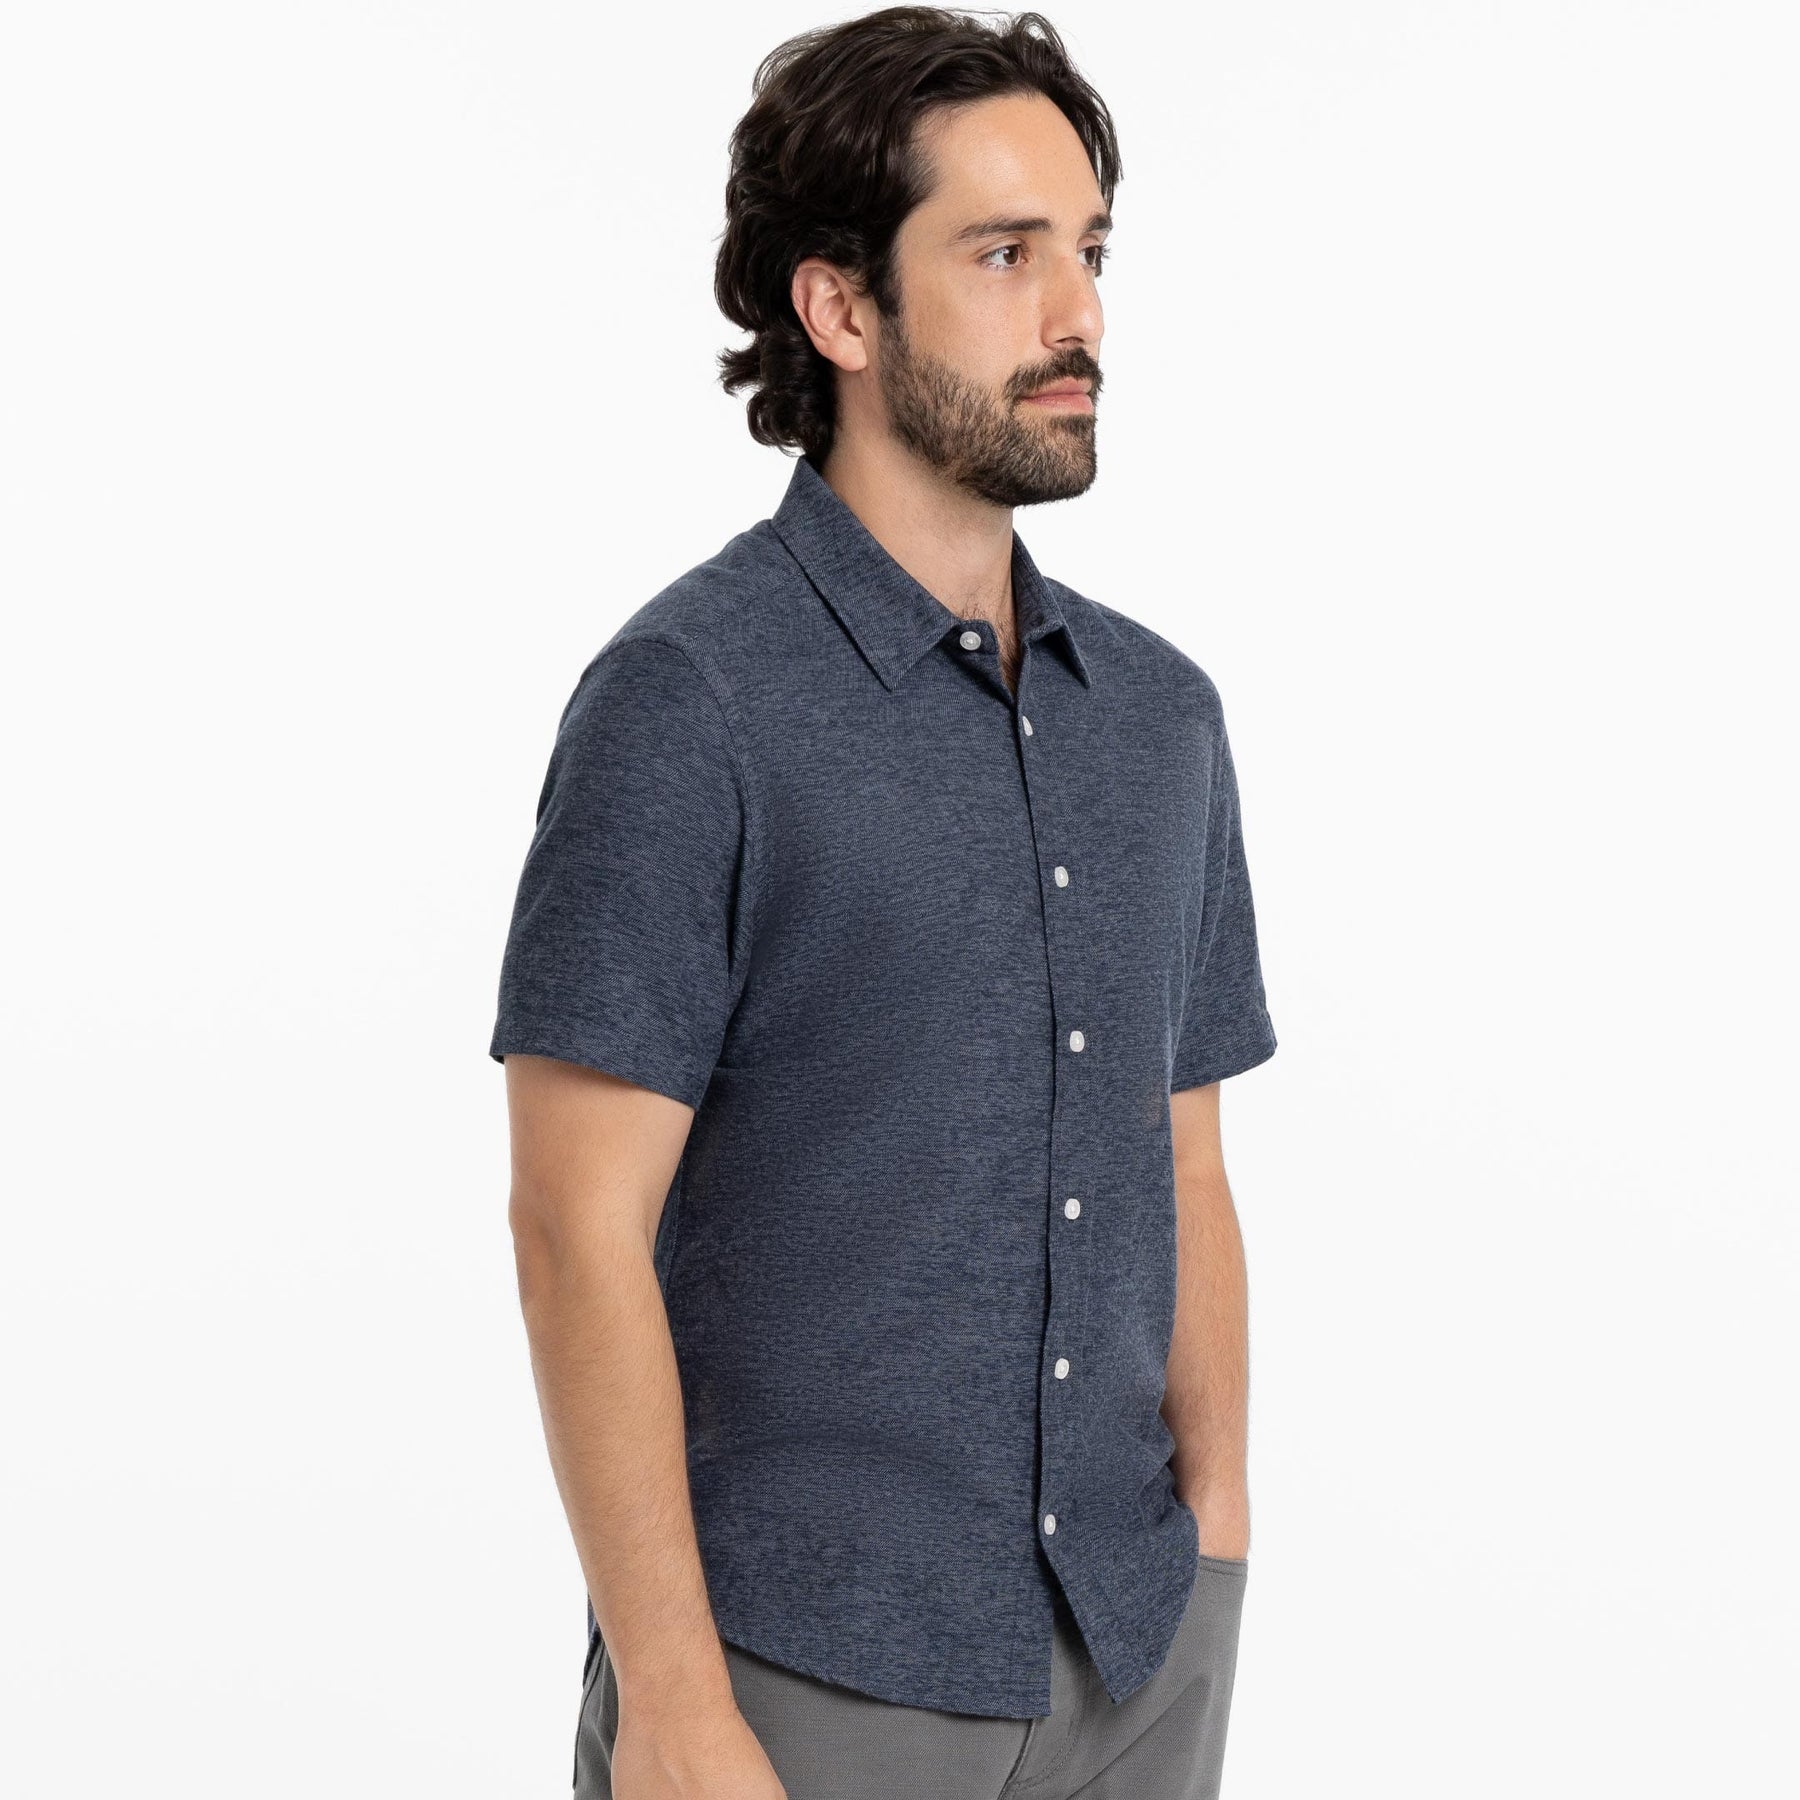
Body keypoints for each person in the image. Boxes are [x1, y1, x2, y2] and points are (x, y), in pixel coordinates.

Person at [488, 9, 1279, 1796]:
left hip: (1136, 1654)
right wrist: (674, 1703)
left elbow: (1188, 1163)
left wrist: (1217, 1530)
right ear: (840, 310)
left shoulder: (1162, 720)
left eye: (1088, 252)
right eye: (1003, 256)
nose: (1077, 315)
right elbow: (573, 1226)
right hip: (799, 1677)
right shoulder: (688, 703)